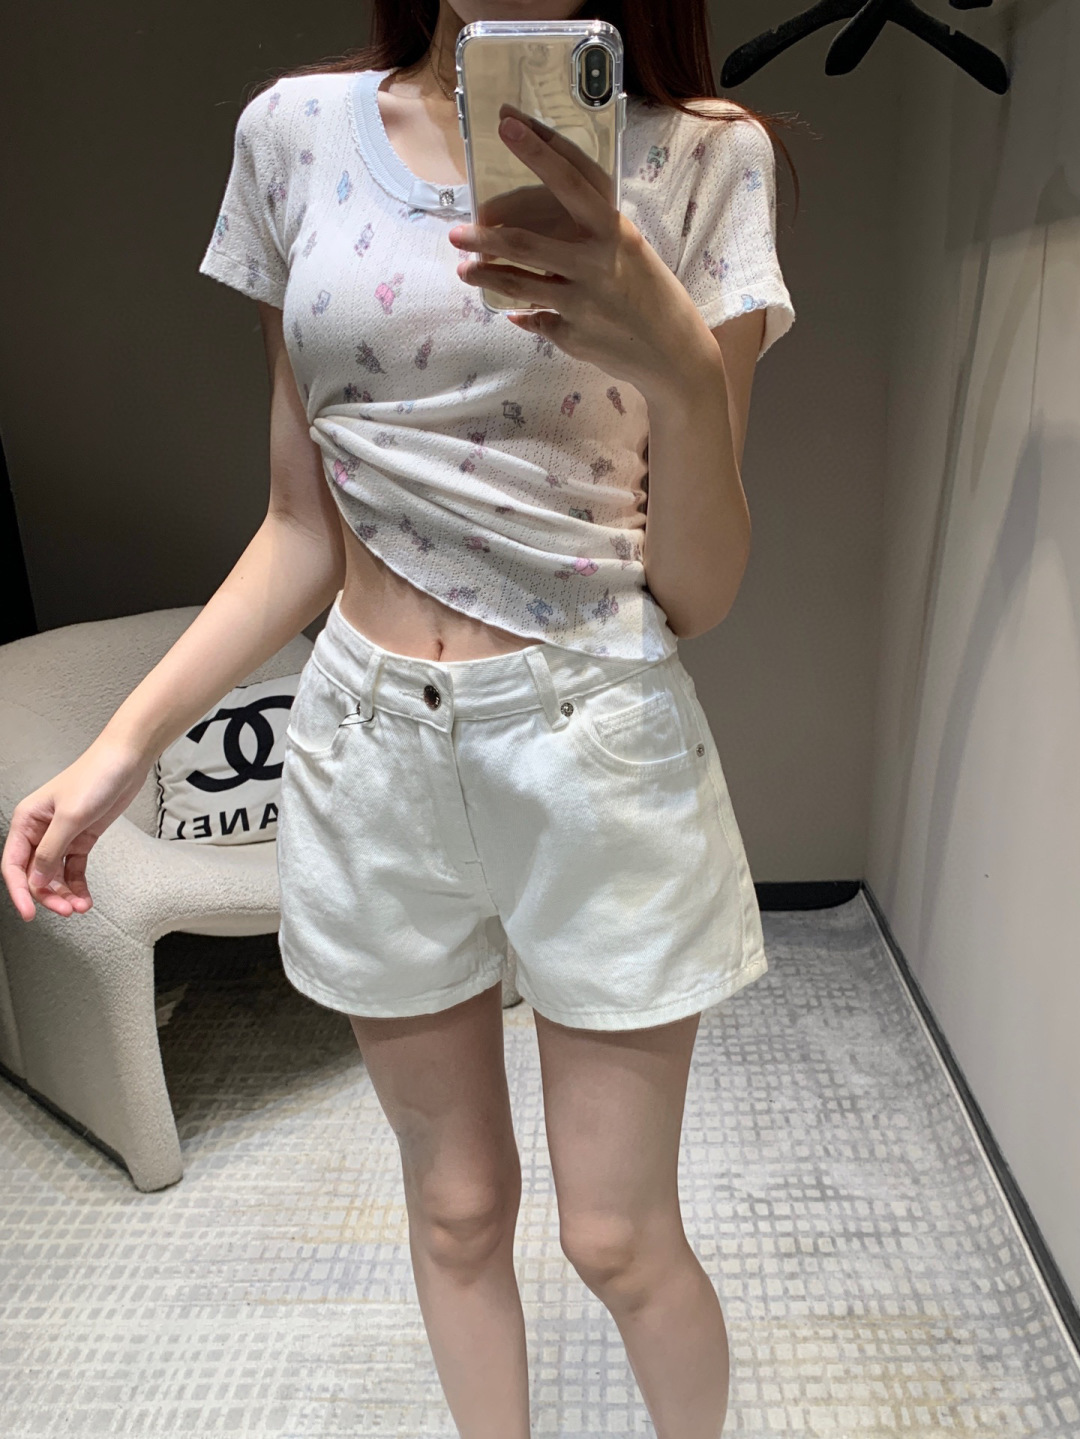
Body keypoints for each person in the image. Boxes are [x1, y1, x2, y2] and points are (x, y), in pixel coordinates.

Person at [1, 2, 796, 1434]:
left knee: (617, 1237)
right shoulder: (293, 135)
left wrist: (676, 357)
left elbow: (701, 588)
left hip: (594, 733)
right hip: (364, 740)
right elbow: (300, 527)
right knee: (455, 1208)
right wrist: (122, 748)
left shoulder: (706, 157)